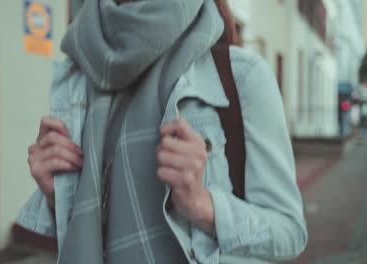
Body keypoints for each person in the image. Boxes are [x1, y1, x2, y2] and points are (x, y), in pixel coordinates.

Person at [18, 0, 308, 263]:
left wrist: (204, 205)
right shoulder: (80, 79)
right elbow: (92, 231)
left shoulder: (242, 75)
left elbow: (289, 232)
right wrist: (58, 193)